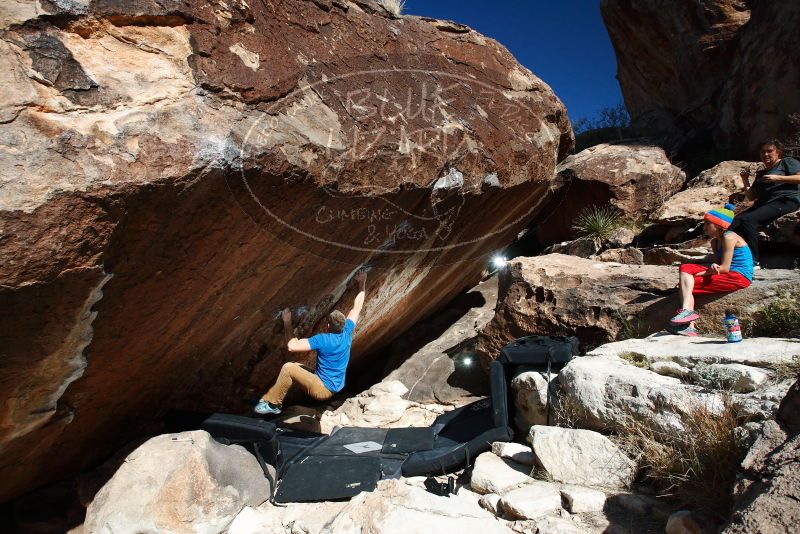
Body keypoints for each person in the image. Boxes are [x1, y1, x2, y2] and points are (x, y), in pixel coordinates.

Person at [254, 270, 367, 415]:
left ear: (328, 327)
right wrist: (362, 281)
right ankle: (276, 395)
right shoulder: (347, 331)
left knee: (288, 368)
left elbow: (292, 346)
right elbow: (357, 306)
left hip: (322, 389)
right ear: (344, 324)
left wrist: (287, 323)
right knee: (295, 367)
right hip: (334, 385)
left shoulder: (323, 340)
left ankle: (274, 405)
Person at [668, 204, 753, 337]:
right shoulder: (715, 242)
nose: (704, 227)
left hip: (739, 276)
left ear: (719, 225)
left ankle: (688, 322)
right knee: (686, 270)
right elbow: (718, 268)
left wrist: (698, 275)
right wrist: (710, 269)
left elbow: (724, 269)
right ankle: (688, 320)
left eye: (708, 224)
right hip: (727, 274)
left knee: (687, 285)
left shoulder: (729, 237)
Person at [730, 139, 800, 268]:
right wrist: (745, 180)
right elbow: (751, 197)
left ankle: (753, 260)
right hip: (764, 204)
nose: (766, 154)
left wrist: (778, 178)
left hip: (785, 200)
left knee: (748, 220)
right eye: (763, 152)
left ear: (778, 153)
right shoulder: (761, 173)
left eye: (769, 151)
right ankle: (732, 257)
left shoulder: (787, 162)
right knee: (733, 224)